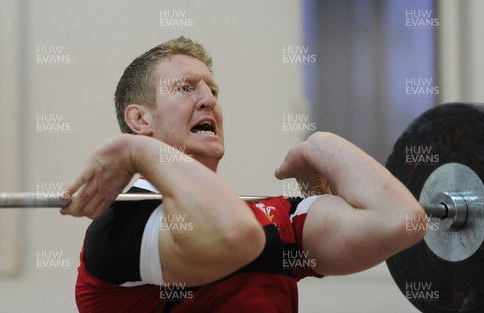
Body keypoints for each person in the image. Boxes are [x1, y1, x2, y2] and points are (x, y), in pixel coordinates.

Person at [60, 37, 427, 313]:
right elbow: (236, 237)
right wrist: (140, 152)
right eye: (187, 88)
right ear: (140, 120)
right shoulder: (119, 229)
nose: (209, 100)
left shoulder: (276, 215)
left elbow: (400, 220)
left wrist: (322, 145)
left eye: (213, 90)